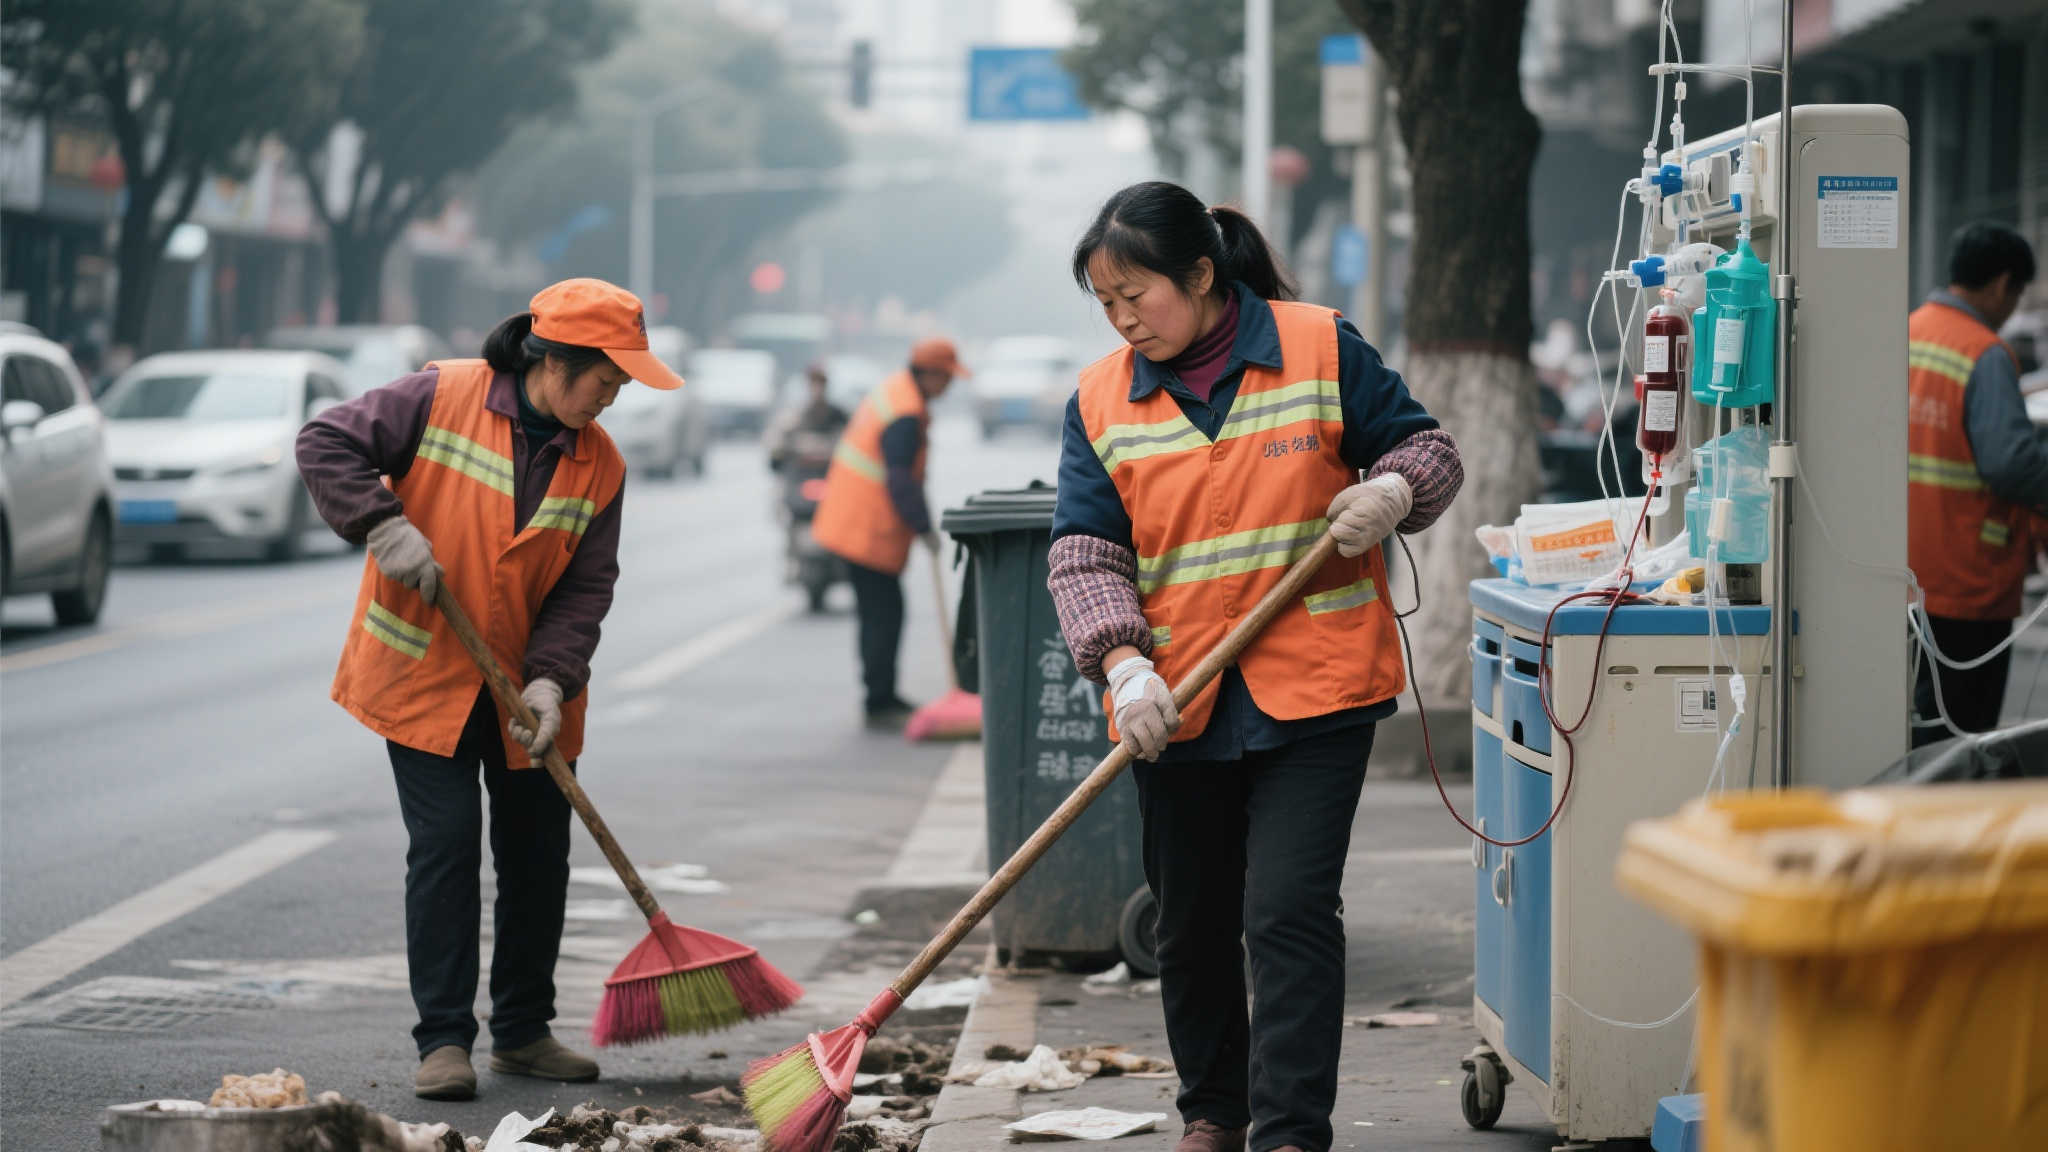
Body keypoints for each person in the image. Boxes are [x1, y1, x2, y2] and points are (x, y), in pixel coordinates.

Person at [1048, 181, 1463, 1152]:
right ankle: (1213, 1113)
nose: (1122, 319)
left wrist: (1395, 490)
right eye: (1105, 303)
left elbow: (1427, 448)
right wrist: (1122, 666)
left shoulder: (1320, 347)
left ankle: (1288, 1131)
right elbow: (1085, 554)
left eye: (1135, 295)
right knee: (1190, 922)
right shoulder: (1100, 400)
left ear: (1200, 275)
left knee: (1286, 912)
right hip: (1178, 698)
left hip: (1317, 688)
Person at [296, 278, 685, 1101]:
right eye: (607, 379)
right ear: (556, 361)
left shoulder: (602, 464)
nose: (612, 399)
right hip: (424, 675)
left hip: (527, 691)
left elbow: (585, 588)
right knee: (446, 847)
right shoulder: (441, 396)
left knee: (538, 853)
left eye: (621, 385)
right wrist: (381, 523)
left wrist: (550, 681)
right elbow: (325, 441)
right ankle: (443, 1041)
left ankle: (522, 1032)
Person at [1908, 222, 2045, 745]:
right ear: (2002, 283)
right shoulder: (1984, 353)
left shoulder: (1908, 331)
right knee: (1961, 739)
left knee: (1917, 727)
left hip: (1905, 573)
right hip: (1968, 578)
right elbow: (2012, 465)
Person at [811, 337, 968, 727]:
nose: (949, 386)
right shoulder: (905, 412)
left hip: (853, 520)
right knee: (883, 615)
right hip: (865, 527)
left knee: (880, 614)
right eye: (947, 377)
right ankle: (879, 702)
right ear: (929, 374)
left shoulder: (897, 392)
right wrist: (924, 527)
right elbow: (900, 480)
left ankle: (881, 696)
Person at [766, 363, 850, 474]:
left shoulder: (839, 416)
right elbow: (777, 442)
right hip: (800, 475)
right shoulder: (795, 415)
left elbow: (849, 440)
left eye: (821, 383)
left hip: (829, 474)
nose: (818, 388)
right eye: (814, 382)